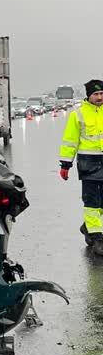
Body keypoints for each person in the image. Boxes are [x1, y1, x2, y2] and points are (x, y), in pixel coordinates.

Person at [60, 79, 103, 255]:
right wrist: (65, 164)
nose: (100, 97)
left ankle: (88, 226)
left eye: (102, 94)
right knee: (92, 202)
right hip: (89, 164)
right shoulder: (78, 114)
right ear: (89, 96)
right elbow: (70, 142)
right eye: (96, 94)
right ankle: (97, 238)